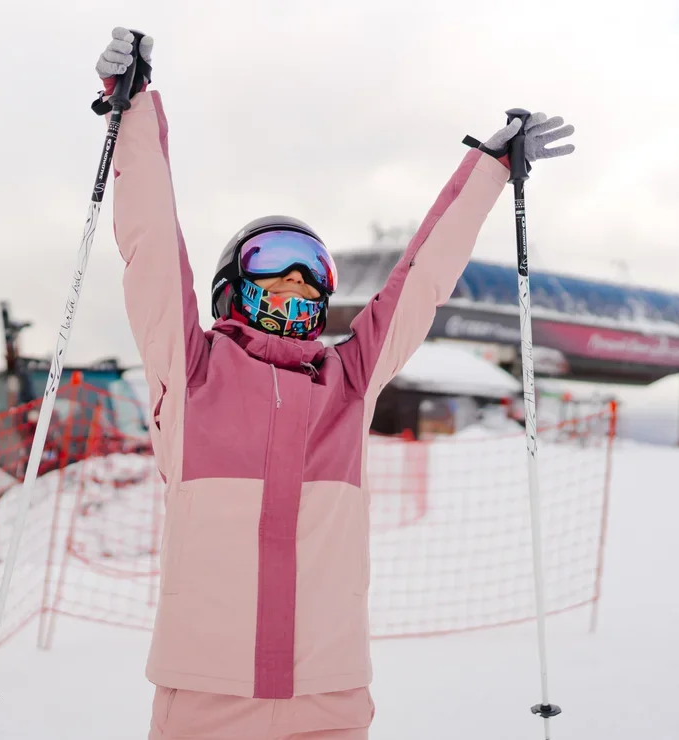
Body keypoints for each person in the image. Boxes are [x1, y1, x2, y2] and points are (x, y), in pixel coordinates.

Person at [97, 27, 576, 740]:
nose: (294, 284)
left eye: (310, 276)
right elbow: (153, 247)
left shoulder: (348, 381)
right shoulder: (190, 371)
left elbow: (421, 281)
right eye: (273, 267)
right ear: (233, 286)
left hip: (330, 694)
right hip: (207, 692)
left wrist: (491, 170)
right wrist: (131, 109)